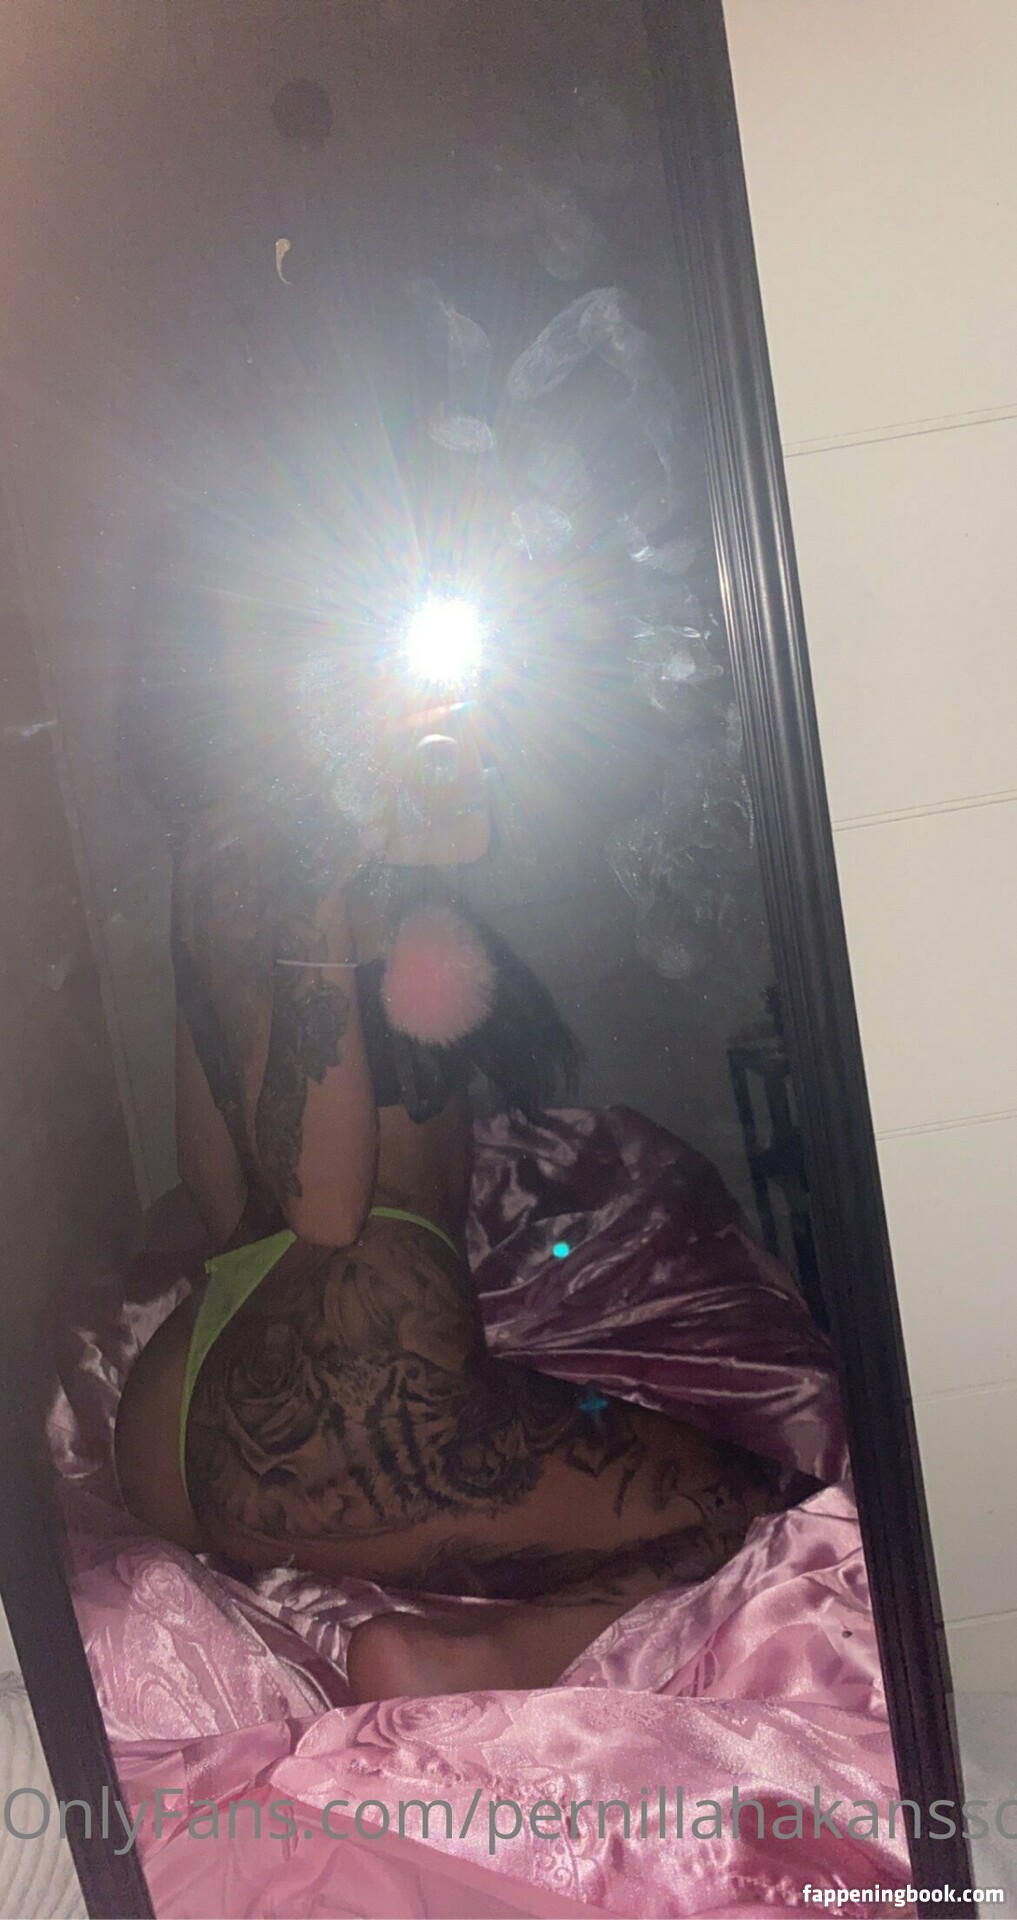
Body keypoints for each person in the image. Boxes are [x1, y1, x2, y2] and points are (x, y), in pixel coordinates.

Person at [114, 495, 810, 1702]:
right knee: (786, 1523)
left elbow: (217, 1180)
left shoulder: (216, 849)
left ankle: (475, 1642)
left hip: (187, 1404)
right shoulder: (296, 849)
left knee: (632, 1510)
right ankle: (460, 1658)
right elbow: (326, 1207)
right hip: (335, 1392)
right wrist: (329, 885)